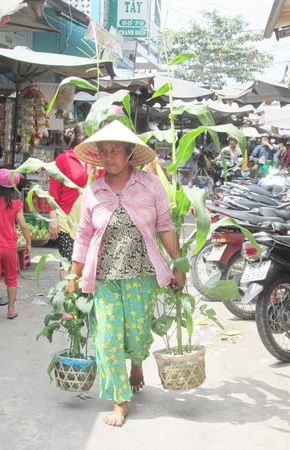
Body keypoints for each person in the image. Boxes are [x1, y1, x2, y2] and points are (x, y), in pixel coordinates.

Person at [69, 120, 185, 427]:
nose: (108, 157)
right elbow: (82, 236)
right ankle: (120, 401)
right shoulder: (93, 191)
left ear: (130, 153)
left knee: (136, 336)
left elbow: (166, 227)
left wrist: (178, 266)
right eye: (103, 151)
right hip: (104, 279)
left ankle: (136, 362)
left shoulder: (150, 185)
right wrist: (73, 276)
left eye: (115, 150)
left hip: (142, 276)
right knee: (106, 339)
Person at [0, 169, 31, 326]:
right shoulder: (16, 204)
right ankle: (11, 309)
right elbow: (23, 225)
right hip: (10, 246)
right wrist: (28, 243)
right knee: (12, 278)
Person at [49, 123, 91, 279]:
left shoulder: (94, 160)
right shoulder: (63, 159)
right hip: (66, 219)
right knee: (67, 260)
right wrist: (53, 219)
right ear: (82, 139)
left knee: (86, 260)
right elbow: (53, 192)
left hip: (89, 219)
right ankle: (68, 298)